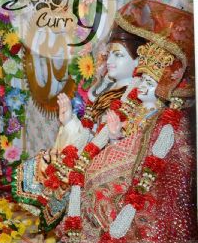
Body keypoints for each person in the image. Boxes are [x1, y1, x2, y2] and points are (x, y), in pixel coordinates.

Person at [62, 0, 197, 243]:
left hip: (148, 182)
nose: (141, 88)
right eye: (141, 81)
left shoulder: (169, 119)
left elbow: (165, 159)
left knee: (100, 186)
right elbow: (100, 141)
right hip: (125, 164)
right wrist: (111, 137)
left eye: (148, 83)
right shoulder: (127, 101)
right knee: (86, 179)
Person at [12, 23, 146, 231]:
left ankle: (74, 230)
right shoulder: (107, 89)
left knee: (65, 174)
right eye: (109, 54)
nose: (109, 61)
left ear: (138, 61)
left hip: (110, 160)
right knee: (44, 162)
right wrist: (69, 121)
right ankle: (59, 225)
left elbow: (136, 142)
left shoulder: (138, 97)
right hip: (90, 150)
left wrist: (115, 137)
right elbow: (89, 130)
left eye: (118, 55)